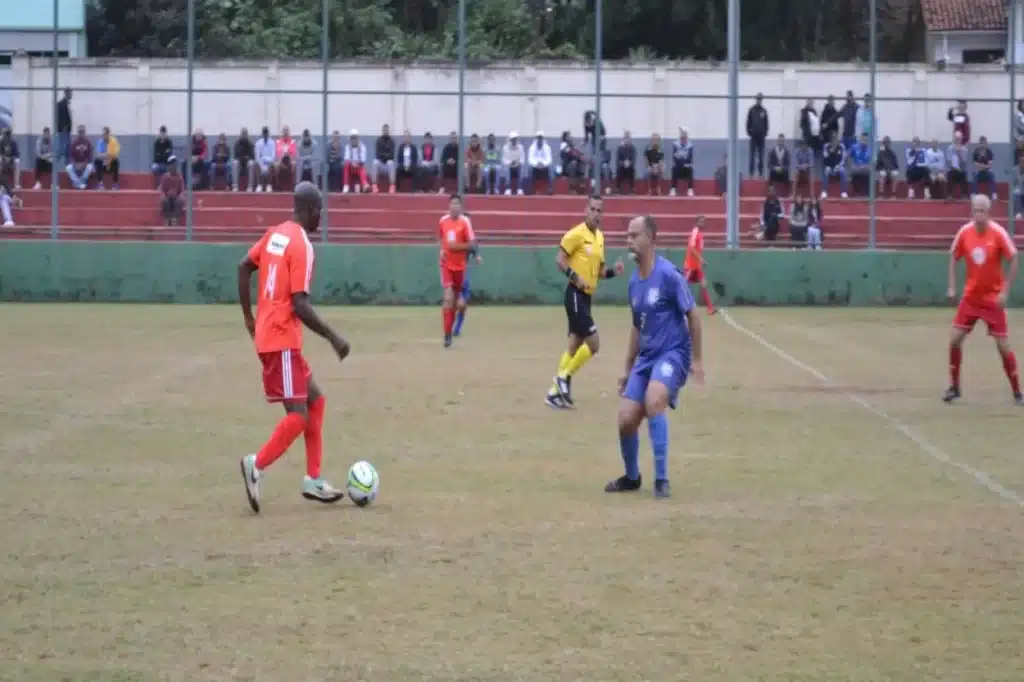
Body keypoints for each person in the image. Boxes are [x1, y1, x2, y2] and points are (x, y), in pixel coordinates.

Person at [237, 181, 351, 513]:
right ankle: (254, 464)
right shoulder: (301, 244)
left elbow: (243, 267)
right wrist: (333, 337)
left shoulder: (275, 233)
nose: (321, 217)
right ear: (309, 209)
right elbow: (299, 303)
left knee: (315, 400)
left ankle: (313, 480)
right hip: (281, 337)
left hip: (274, 335)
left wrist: (248, 317)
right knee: (298, 416)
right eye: (320, 211)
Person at [606, 215, 704, 499]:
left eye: (634, 235)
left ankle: (662, 480)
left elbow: (693, 316)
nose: (629, 241)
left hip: (673, 354)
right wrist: (627, 369)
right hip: (646, 357)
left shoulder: (669, 275)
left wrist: (697, 360)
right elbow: (637, 327)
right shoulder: (634, 282)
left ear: (650, 238)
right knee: (625, 418)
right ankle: (632, 477)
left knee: (654, 399)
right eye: (627, 236)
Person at [547, 195, 624, 409]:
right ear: (585, 210)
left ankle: (553, 394)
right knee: (594, 343)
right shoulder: (576, 234)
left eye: (600, 211)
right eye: (593, 209)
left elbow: (599, 272)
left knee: (574, 345)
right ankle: (563, 378)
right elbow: (559, 260)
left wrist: (613, 272)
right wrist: (574, 277)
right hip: (574, 294)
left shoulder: (599, 238)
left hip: (586, 297)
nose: (597, 214)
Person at [945, 194, 1021, 405]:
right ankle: (954, 387)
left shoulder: (998, 233)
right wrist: (952, 287)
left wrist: (1005, 290)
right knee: (955, 339)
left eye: (982, 211)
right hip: (971, 298)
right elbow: (952, 255)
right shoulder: (965, 232)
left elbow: (1014, 257)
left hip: (992, 300)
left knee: (1003, 345)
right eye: (975, 210)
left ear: (989, 213)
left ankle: (1017, 391)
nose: (978, 214)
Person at [438, 194, 477, 347]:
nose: (454, 206)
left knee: (457, 303)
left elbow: (473, 244)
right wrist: (442, 249)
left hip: (460, 267)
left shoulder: (465, 222)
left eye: (457, 204)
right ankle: (447, 335)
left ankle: (453, 328)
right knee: (448, 297)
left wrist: (457, 247)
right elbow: (441, 238)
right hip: (446, 265)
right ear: (449, 206)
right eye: (452, 204)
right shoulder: (442, 221)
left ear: (460, 207)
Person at [453, 217, 482, 338]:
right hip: (455, 272)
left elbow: (474, 248)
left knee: (463, 303)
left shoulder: (471, 240)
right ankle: (452, 325)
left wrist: (477, 257)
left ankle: (457, 328)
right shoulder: (455, 236)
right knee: (455, 301)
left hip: (465, 273)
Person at [682, 215, 716, 314]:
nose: (703, 223)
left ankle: (710, 308)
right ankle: (680, 306)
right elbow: (691, 249)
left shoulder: (700, 234)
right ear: (696, 222)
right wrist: (701, 259)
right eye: (701, 221)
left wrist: (699, 261)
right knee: (683, 286)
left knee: (704, 284)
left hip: (696, 266)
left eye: (704, 221)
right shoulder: (695, 232)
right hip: (690, 266)